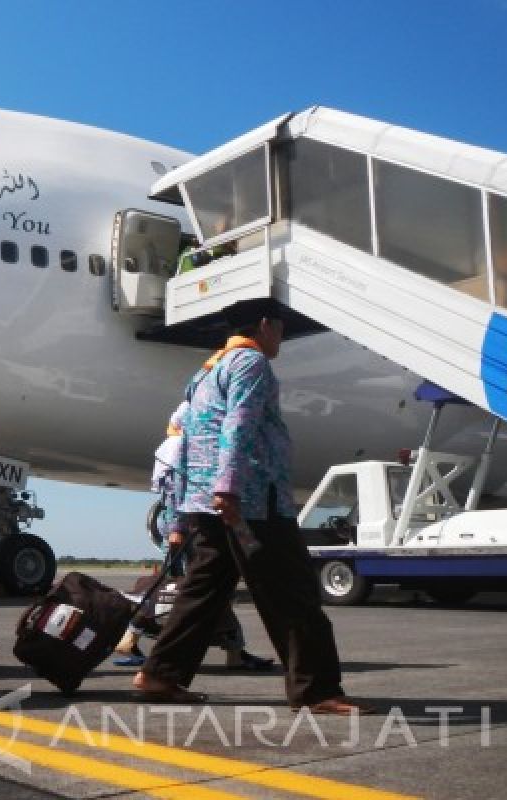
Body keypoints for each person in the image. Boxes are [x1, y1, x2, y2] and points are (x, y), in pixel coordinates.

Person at [133, 299, 369, 714]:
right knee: (291, 592)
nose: (280, 338)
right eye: (280, 329)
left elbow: (184, 434)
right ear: (265, 325)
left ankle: (161, 673)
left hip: (206, 500)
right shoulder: (250, 364)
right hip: (251, 500)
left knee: (204, 591)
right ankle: (317, 690)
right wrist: (230, 487)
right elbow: (239, 423)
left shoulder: (206, 372)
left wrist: (191, 500)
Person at [114, 404, 274, 672]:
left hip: (188, 530)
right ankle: (229, 652)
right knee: (200, 592)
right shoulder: (182, 449)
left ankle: (133, 637)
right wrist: (177, 528)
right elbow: (177, 492)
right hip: (190, 531)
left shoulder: (174, 447)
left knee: (182, 591)